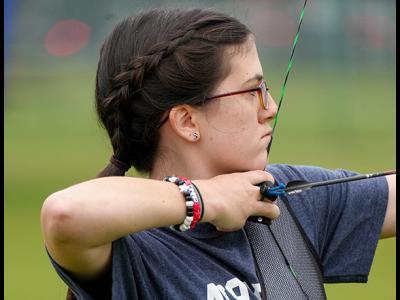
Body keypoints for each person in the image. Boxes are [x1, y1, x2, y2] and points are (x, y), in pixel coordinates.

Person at [40, 8, 396, 300]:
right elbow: (65, 213)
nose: (270, 107)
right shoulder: (132, 248)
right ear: (186, 120)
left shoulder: (282, 197)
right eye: (252, 91)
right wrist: (203, 200)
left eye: (267, 89)